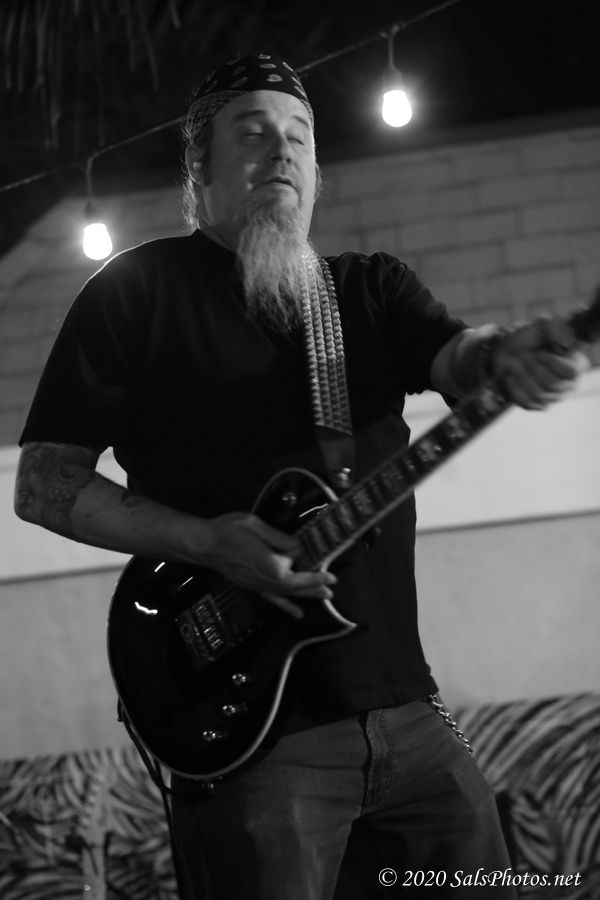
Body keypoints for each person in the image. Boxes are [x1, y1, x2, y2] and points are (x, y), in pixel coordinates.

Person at [14, 54, 587, 900]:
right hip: (255, 741)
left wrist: (509, 353)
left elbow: (461, 357)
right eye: (252, 134)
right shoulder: (133, 294)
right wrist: (207, 541)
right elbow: (43, 484)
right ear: (199, 169)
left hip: (407, 712)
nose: (281, 151)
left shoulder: (368, 290)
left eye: (299, 137)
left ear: (317, 170)